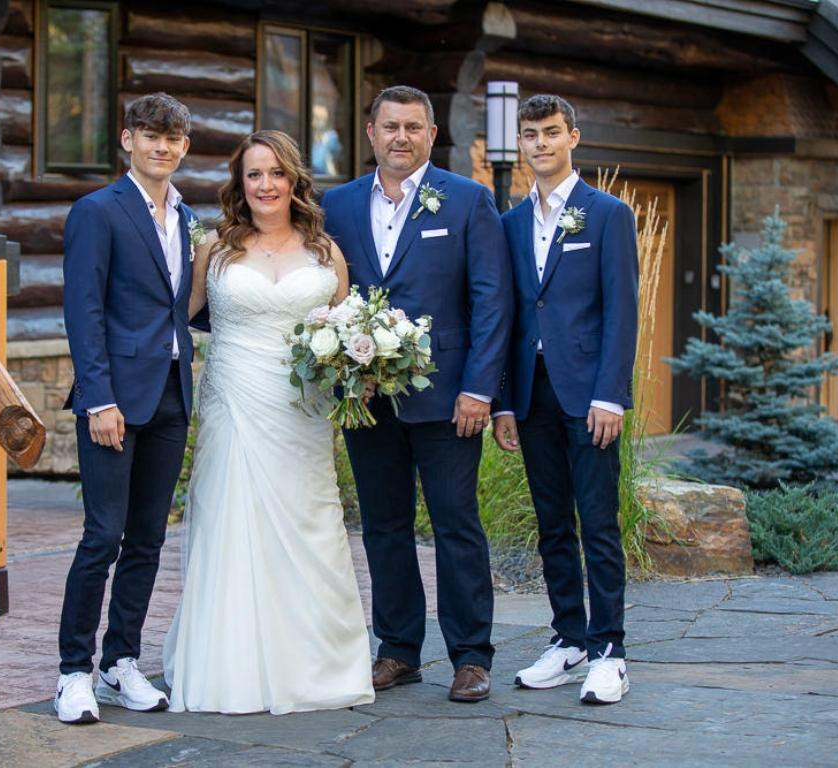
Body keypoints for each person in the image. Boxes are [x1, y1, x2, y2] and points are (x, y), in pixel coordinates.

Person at [162, 129, 375, 715]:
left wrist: (367, 364)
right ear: (241, 184)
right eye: (253, 174)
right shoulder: (216, 247)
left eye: (275, 173)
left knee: (310, 524)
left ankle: (317, 667)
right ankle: (229, 668)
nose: (265, 185)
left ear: (293, 181)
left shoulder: (326, 251)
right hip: (234, 403)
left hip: (301, 412)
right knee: (232, 523)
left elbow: (341, 334)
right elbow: (177, 320)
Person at [322, 86, 513, 703]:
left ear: (432, 134)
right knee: (383, 525)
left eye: (413, 127)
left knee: (457, 524)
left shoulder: (468, 201)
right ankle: (399, 649)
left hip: (449, 399)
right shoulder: (340, 205)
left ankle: (471, 656)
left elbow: (491, 302)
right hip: (366, 396)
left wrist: (480, 389)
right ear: (370, 133)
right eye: (389, 126)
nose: (400, 137)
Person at [55, 93, 200, 724]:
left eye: (171, 138)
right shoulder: (97, 211)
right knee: (102, 537)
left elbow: (183, 307)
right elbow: (83, 311)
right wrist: (99, 399)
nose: (160, 147)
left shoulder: (189, 217)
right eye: (149, 135)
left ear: (184, 147)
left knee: (146, 538)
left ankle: (121, 662)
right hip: (115, 398)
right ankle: (71, 673)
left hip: (172, 390)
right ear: (127, 140)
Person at [492, 94, 638, 705]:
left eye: (552, 132)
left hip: (589, 397)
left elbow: (621, 312)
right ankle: (568, 639)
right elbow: (503, 316)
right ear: (521, 143)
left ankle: (610, 650)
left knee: (597, 524)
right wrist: (501, 400)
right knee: (553, 524)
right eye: (530, 134)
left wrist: (611, 395)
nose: (540, 143)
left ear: (572, 137)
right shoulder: (508, 223)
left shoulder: (607, 214)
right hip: (532, 396)